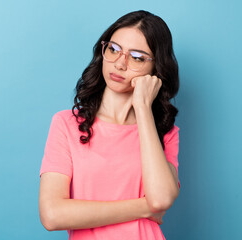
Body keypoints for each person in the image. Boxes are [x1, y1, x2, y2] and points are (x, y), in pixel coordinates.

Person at [39, 10, 180, 240]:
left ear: (156, 70)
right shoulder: (66, 124)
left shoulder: (165, 132)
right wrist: (145, 208)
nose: (120, 64)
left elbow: (161, 199)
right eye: (114, 49)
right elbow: (52, 215)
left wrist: (143, 108)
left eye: (137, 57)